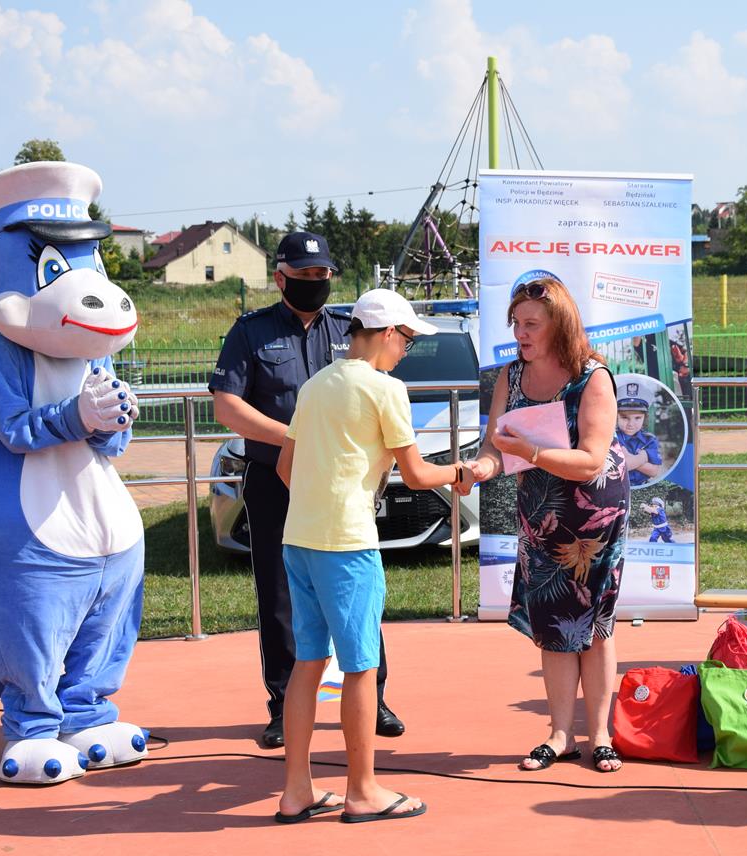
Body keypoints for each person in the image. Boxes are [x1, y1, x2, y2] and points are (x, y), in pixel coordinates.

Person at [272, 289, 471, 824]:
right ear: (386, 334)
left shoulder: (315, 385)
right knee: (362, 665)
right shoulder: (387, 390)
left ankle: (297, 791)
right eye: (406, 338)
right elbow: (417, 475)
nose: (406, 349)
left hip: (300, 538)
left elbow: (285, 470)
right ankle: (362, 791)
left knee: (307, 663)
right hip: (347, 542)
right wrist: (463, 473)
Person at [209, 231, 405, 749]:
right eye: (305, 275)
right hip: (274, 480)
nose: (316, 283)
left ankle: (374, 698)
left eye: (323, 276)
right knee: (278, 592)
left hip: (343, 489)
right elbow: (226, 406)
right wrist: (295, 437)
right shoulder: (250, 332)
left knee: (357, 594)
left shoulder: (348, 330)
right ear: (280, 277)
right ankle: (282, 705)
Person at [465, 277, 630, 773]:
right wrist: (480, 469)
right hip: (541, 515)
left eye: (531, 323)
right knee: (552, 623)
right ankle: (559, 735)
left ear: (559, 324)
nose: (520, 332)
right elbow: (496, 446)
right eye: (516, 323)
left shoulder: (592, 376)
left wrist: (530, 452)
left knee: (595, 625)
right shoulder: (510, 377)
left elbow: (591, 460)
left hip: (593, 516)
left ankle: (600, 734)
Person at [614, 385, 665, 486]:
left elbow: (654, 471)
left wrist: (630, 459)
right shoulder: (614, 437)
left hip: (643, 486)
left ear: (645, 418)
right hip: (619, 487)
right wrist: (644, 456)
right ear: (616, 417)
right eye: (624, 417)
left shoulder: (650, 440)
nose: (631, 424)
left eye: (637, 418)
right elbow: (626, 465)